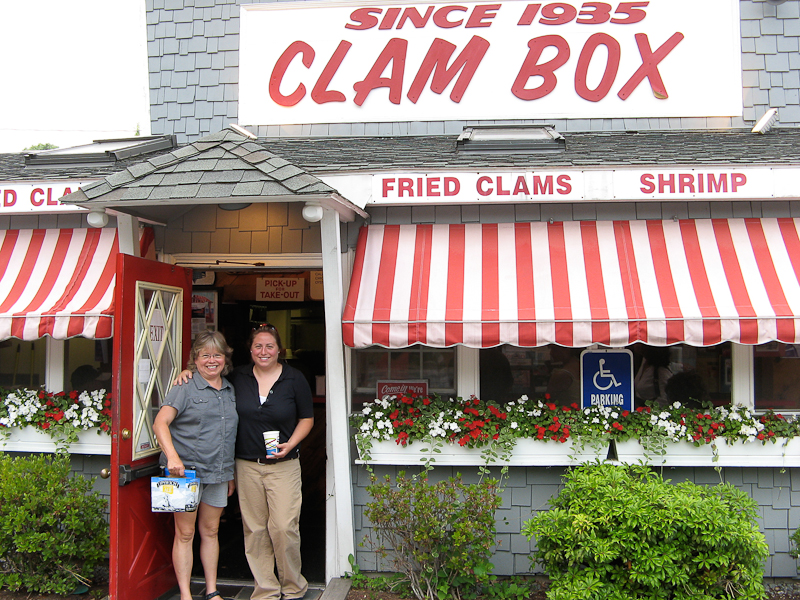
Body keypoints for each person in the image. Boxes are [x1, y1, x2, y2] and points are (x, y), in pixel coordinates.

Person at [177, 324, 314, 600]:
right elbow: (209, 371)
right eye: (258, 347)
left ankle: (292, 585)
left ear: (279, 350)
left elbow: (307, 418)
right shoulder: (238, 376)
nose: (264, 352)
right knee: (255, 528)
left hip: (284, 465)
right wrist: (188, 372)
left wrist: (292, 444)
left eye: (269, 346)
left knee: (284, 526)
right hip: (246, 465)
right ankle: (265, 589)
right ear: (250, 350)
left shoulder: (294, 378)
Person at [153, 331, 238, 600]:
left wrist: (230, 473)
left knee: (211, 531)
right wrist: (173, 457)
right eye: (205, 355)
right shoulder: (184, 386)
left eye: (217, 355)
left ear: (225, 358)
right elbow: (160, 423)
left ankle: (212, 591)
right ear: (195, 359)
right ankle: (186, 595)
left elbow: (227, 434)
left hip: (218, 472)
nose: (211, 360)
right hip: (184, 473)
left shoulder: (229, 389)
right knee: (186, 533)